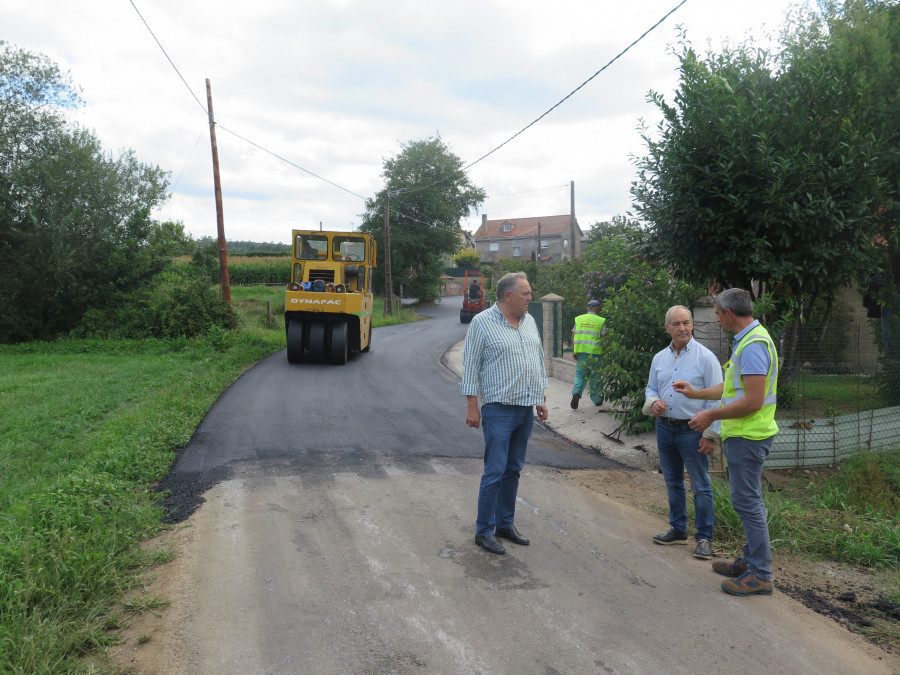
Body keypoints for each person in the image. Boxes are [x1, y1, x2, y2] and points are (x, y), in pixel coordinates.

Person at [674, 288, 779, 597]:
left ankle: (760, 573)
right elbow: (732, 388)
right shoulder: (748, 340)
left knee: (747, 502)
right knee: (745, 500)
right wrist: (696, 394)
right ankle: (750, 561)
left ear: (730, 314)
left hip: (750, 434)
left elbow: (753, 401)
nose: (716, 319)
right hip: (745, 434)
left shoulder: (753, 345)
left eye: (718, 314)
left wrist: (710, 417)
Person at [461, 272, 549, 555]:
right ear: (507, 295)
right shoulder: (482, 323)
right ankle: (484, 530)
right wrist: (472, 405)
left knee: (513, 469)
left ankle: (505, 524)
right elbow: (471, 366)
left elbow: (538, 359)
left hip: (525, 407)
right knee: (495, 470)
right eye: (525, 293)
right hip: (498, 408)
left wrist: (540, 398)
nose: (530, 297)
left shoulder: (530, 321)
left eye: (530, 292)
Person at [643, 305, 723, 561]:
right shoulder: (659, 358)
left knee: (700, 485)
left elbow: (717, 398)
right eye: (676, 324)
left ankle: (704, 538)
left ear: (693, 325)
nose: (682, 328)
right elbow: (651, 387)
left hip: (692, 430)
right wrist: (653, 401)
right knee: (673, 482)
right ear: (667, 328)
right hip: (664, 428)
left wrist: (711, 434)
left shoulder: (705, 357)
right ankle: (678, 529)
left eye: (686, 323)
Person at [570, 300, 607, 409]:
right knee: (595, 376)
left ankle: (576, 392)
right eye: (599, 309)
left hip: (581, 352)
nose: (600, 311)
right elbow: (604, 338)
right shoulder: (601, 321)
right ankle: (597, 399)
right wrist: (606, 352)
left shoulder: (579, 319)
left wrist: (575, 350)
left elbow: (573, 335)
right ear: (596, 309)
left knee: (580, 374)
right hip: (596, 353)